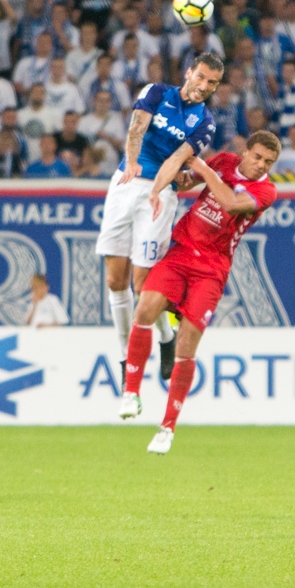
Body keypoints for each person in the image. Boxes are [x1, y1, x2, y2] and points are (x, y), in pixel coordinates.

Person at [117, 130, 282, 454]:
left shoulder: (266, 191)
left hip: (212, 268)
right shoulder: (223, 161)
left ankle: (167, 428)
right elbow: (187, 182)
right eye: (258, 157)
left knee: (187, 343)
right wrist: (176, 173)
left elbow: (231, 203)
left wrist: (204, 169)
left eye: (269, 162)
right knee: (145, 308)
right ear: (245, 152)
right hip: (182, 251)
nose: (262, 165)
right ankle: (131, 393)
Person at [96, 52, 223, 380]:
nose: (204, 86)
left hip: (160, 193)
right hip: (125, 183)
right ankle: (125, 358)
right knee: (114, 281)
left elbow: (178, 158)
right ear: (189, 72)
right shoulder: (156, 92)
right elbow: (137, 128)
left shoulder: (205, 123)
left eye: (212, 82)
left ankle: (166, 338)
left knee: (143, 284)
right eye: (201, 77)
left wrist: (158, 188)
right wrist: (132, 161)